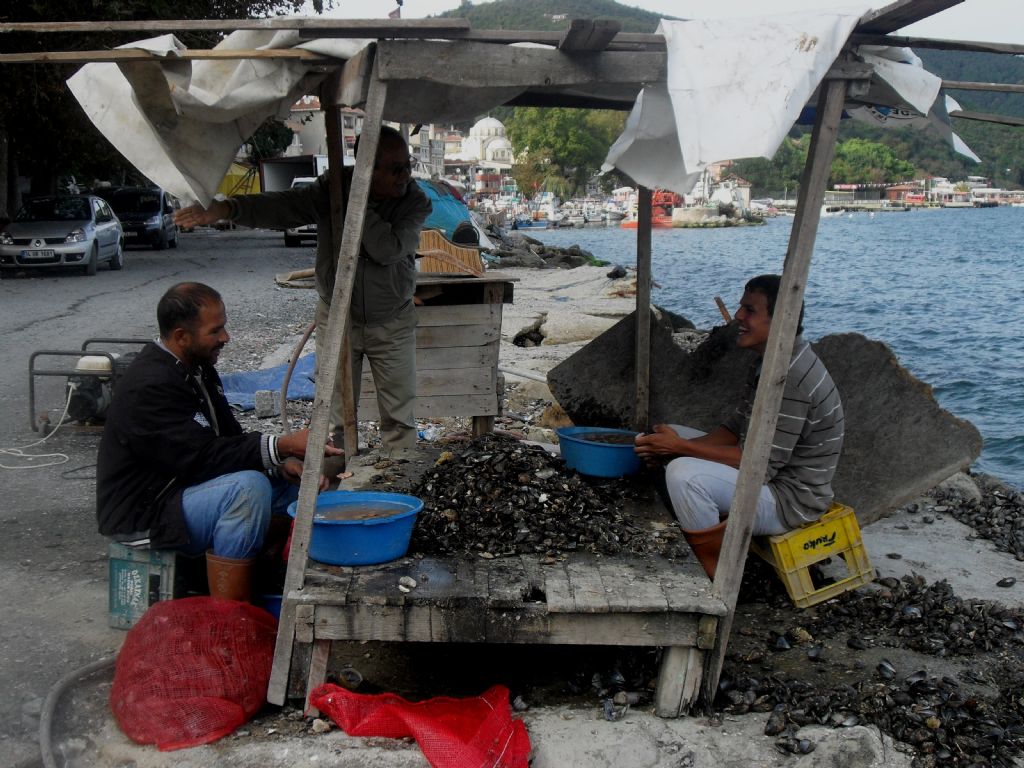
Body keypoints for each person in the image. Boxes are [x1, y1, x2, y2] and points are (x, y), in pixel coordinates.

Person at [175, 126, 432, 452]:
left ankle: (400, 488)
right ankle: (341, 489)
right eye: (397, 168)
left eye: (407, 166)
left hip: (392, 321)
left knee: (399, 420)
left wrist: (355, 201)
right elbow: (283, 207)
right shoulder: (332, 188)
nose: (405, 175)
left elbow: (388, 249)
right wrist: (227, 209)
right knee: (337, 420)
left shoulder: (414, 200)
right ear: (368, 167)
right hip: (337, 319)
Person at [96, 282, 341, 601]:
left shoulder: (197, 368)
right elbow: (199, 458)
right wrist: (282, 445)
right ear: (182, 336)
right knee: (247, 490)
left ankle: (272, 577)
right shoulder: (148, 387)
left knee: (300, 487)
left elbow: (230, 441)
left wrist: (280, 466)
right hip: (146, 513)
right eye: (216, 331)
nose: (226, 338)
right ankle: (230, 618)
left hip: (186, 491)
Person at [635, 274, 844, 578]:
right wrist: (671, 447)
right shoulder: (769, 359)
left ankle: (717, 572)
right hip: (766, 476)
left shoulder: (792, 379)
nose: (738, 317)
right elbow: (732, 431)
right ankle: (705, 529)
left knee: (685, 476)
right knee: (670, 437)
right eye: (741, 307)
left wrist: (679, 451)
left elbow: (759, 465)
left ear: (781, 319)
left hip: (790, 499)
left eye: (750, 310)